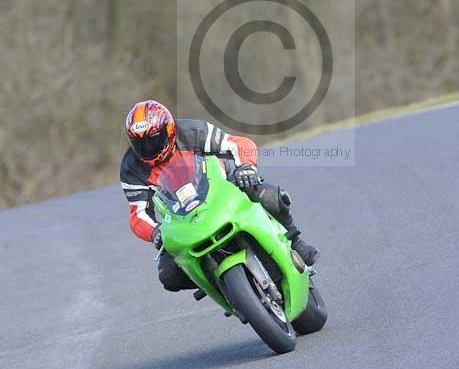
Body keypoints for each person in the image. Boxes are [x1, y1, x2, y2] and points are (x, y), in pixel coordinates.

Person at [120, 99, 320, 292]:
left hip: (222, 189)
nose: (147, 149)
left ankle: (296, 242)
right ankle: (222, 285)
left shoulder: (192, 132)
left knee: (269, 196)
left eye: (152, 140)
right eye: (140, 144)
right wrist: (155, 231)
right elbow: (137, 213)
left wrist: (247, 167)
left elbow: (238, 144)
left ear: (169, 130)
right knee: (169, 275)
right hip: (180, 217)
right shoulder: (131, 168)